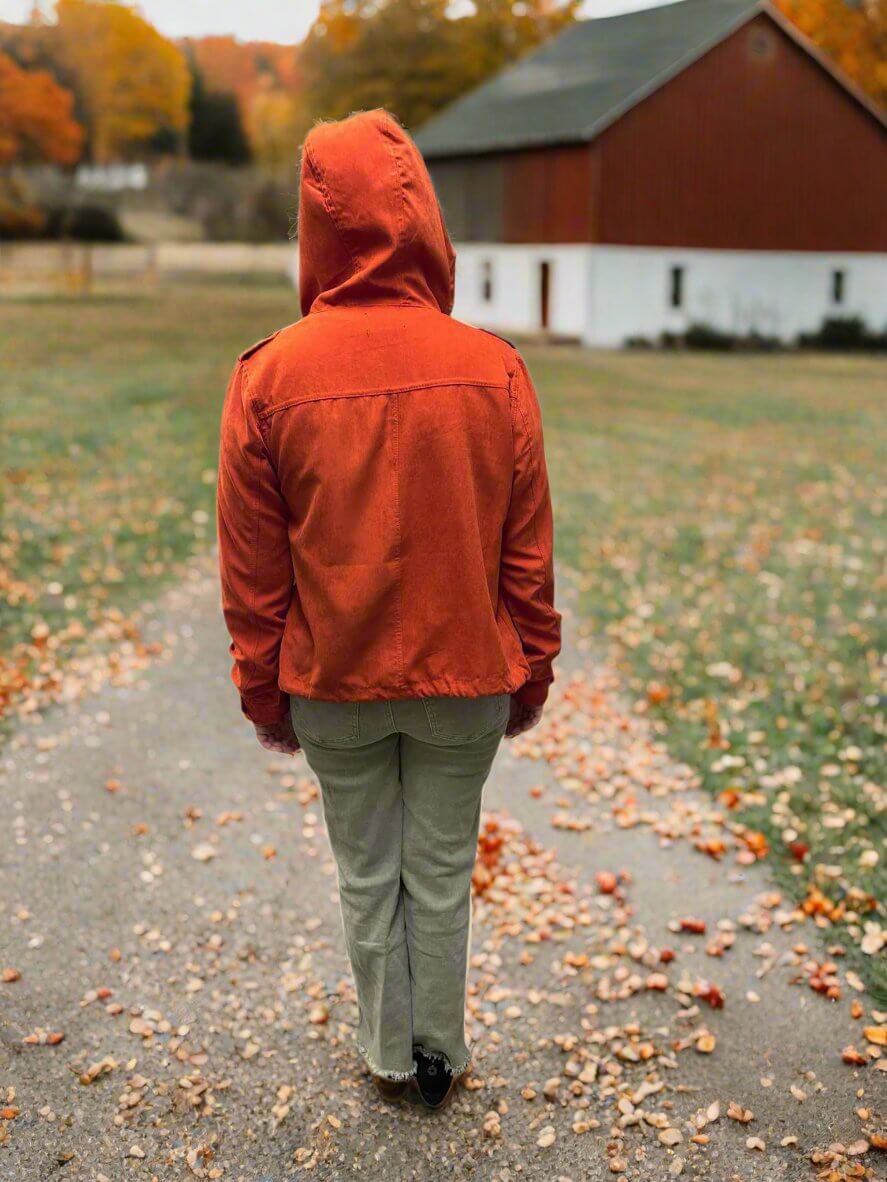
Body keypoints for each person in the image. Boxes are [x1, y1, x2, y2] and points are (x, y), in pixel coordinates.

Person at [217, 109, 561, 1110]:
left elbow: (252, 576)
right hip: (466, 679)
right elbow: (525, 559)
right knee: (440, 870)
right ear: (423, 220)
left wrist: (262, 694)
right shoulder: (494, 368)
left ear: (315, 229)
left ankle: (385, 1052)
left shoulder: (266, 376)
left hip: (333, 682)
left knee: (369, 874)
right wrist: (528, 670)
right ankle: (436, 1056)